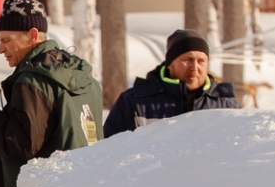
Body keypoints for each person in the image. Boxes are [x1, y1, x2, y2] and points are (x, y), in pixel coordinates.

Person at [0, 0, 104, 187]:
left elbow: (19, 144)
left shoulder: (34, 81)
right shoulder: (86, 80)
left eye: (7, 40)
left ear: (33, 35)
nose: (0, 49)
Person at [102, 29, 240, 138]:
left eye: (201, 61)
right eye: (188, 59)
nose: (194, 67)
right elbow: (109, 152)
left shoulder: (225, 104)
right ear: (170, 63)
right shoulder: (134, 102)